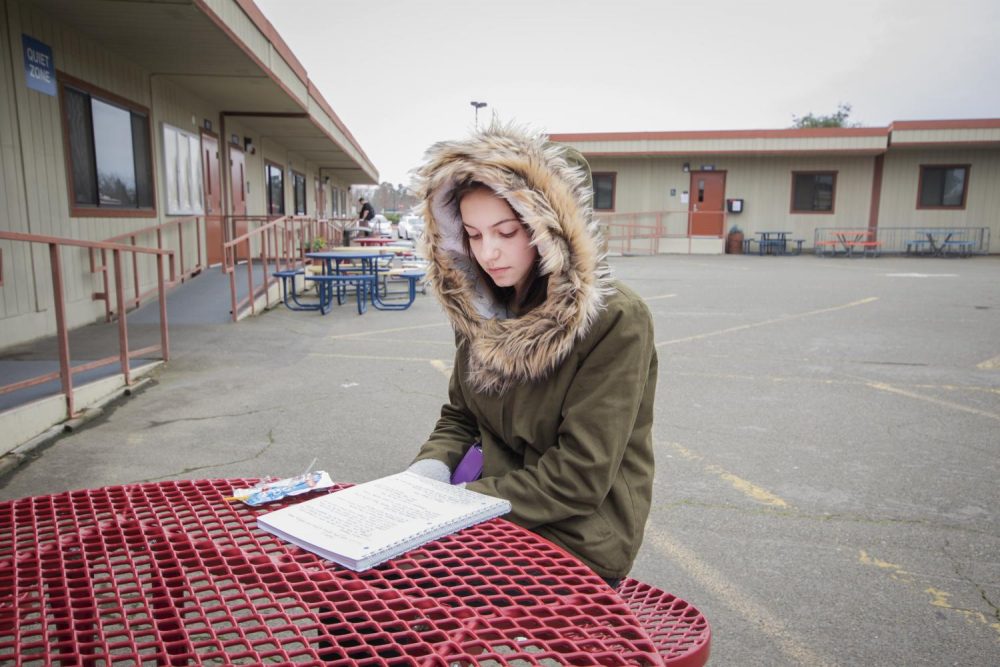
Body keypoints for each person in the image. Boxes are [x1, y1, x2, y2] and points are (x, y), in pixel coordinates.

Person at [406, 124, 658, 587]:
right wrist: (428, 471)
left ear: (555, 229)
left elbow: (579, 477)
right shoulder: (482, 304)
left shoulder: (615, 319)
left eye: (506, 231)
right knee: (354, 583)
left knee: (393, 593)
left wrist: (456, 504)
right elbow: (461, 416)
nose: (489, 253)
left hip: (577, 533)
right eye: (474, 234)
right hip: (488, 505)